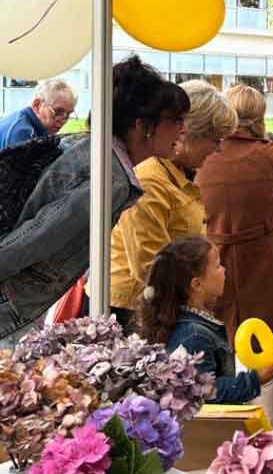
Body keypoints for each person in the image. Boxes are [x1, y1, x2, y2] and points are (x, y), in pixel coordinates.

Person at [0, 57, 188, 342]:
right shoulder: (110, 178)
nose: (183, 129)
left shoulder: (94, 150)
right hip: (11, 296)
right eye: (176, 120)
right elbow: (38, 236)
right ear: (143, 125)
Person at [196, 85, 273, 427]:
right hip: (264, 254)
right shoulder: (269, 154)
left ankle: (230, 416)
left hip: (216, 254)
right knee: (272, 331)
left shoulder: (205, 153)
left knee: (221, 331)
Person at [110, 80, 238, 328]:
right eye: (216, 139)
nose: (219, 149)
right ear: (188, 133)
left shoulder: (178, 173)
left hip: (160, 304)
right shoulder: (150, 178)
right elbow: (149, 264)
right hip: (134, 312)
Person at [139, 236, 273, 403]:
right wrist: (255, 380)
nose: (224, 270)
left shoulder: (192, 324)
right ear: (196, 284)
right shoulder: (194, 336)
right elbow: (204, 393)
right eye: (218, 266)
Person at [0, 78, 77, 149]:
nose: (63, 121)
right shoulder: (22, 133)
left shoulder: (27, 122)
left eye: (68, 114)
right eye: (58, 112)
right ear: (37, 105)